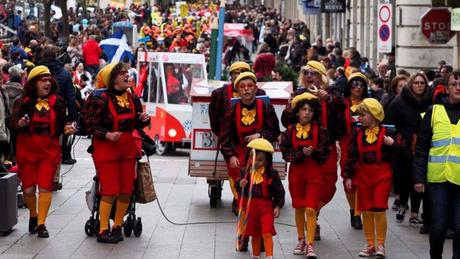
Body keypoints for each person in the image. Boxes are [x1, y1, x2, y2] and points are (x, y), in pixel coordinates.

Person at [83, 62, 150, 243]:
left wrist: (143, 119)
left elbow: (137, 123)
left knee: (127, 190)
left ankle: (117, 226)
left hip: (127, 148)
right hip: (106, 149)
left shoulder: (132, 98)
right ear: (112, 80)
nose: (127, 75)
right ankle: (103, 229)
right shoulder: (100, 99)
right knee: (110, 190)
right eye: (122, 73)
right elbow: (89, 125)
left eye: (126, 72)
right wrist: (107, 134)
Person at [9, 66, 76, 237]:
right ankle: (33, 215)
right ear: (33, 83)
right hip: (27, 151)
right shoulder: (22, 102)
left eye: (48, 80)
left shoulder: (58, 102)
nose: (47, 83)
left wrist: (67, 128)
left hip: (49, 152)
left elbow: (61, 125)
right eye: (43, 80)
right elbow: (13, 124)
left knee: (45, 187)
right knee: (29, 190)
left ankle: (41, 224)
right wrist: (21, 124)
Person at [221, 71, 280, 250]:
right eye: (242, 86)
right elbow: (225, 136)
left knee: (261, 196)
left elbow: (275, 131)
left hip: (261, 156)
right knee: (243, 197)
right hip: (240, 155)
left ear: (256, 88)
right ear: (238, 90)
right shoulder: (232, 110)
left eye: (250, 86)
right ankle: (244, 236)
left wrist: (260, 135)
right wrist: (230, 155)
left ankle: (261, 237)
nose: (246, 89)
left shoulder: (266, 107)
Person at [344, 98, 404, 258]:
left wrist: (393, 145)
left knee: (378, 209)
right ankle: (370, 244)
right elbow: (351, 155)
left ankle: (381, 244)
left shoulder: (390, 133)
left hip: (381, 174)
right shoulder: (357, 134)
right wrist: (348, 175)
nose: (359, 118)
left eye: (362, 115)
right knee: (366, 211)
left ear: (374, 115)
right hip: (363, 174)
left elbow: (402, 152)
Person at [413, 70, 460, 259]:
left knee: (459, 226)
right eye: (455, 84)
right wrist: (418, 177)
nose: (459, 87)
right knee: (439, 226)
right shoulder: (433, 112)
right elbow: (422, 148)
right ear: (447, 88)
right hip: (438, 179)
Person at [208, 61, 263, 214]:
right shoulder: (219, 94)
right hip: (231, 140)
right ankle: (240, 200)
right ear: (231, 76)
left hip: (254, 141)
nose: (239, 76)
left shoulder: (258, 93)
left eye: (243, 72)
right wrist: (223, 136)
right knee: (235, 171)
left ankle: (248, 200)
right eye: (235, 73)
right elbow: (214, 118)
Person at [279, 92, 330, 258]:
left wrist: (313, 152)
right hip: (296, 174)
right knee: (299, 206)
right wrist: (301, 154)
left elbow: (325, 153)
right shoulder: (289, 131)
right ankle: (300, 239)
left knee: (310, 208)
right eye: (303, 109)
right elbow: (286, 154)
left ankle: (310, 244)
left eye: (310, 110)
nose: (307, 113)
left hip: (314, 173)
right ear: (297, 112)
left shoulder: (321, 131)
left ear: (314, 113)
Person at [385, 73, 432, 225]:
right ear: (411, 84)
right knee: (405, 178)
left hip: (423, 145)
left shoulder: (430, 103)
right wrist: (397, 140)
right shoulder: (399, 102)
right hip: (403, 146)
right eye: (416, 82)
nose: (419, 85)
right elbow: (389, 123)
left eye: (422, 83)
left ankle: (414, 213)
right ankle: (403, 203)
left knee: (419, 178)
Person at [236, 138, 285, 259]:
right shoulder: (245, 171)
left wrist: (277, 205)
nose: (256, 162)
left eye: (260, 160)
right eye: (254, 159)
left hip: (266, 206)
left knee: (266, 231)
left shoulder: (271, 173)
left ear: (266, 161)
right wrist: (240, 184)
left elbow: (279, 191)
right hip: (251, 207)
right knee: (254, 233)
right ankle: (256, 255)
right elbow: (237, 186)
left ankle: (269, 255)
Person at [337, 72, 370, 230]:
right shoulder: (343, 104)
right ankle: (353, 210)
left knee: (362, 179)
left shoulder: (369, 103)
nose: (358, 88)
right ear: (349, 87)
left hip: (365, 146)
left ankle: (358, 213)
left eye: (362, 85)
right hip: (346, 145)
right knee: (348, 180)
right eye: (355, 84)